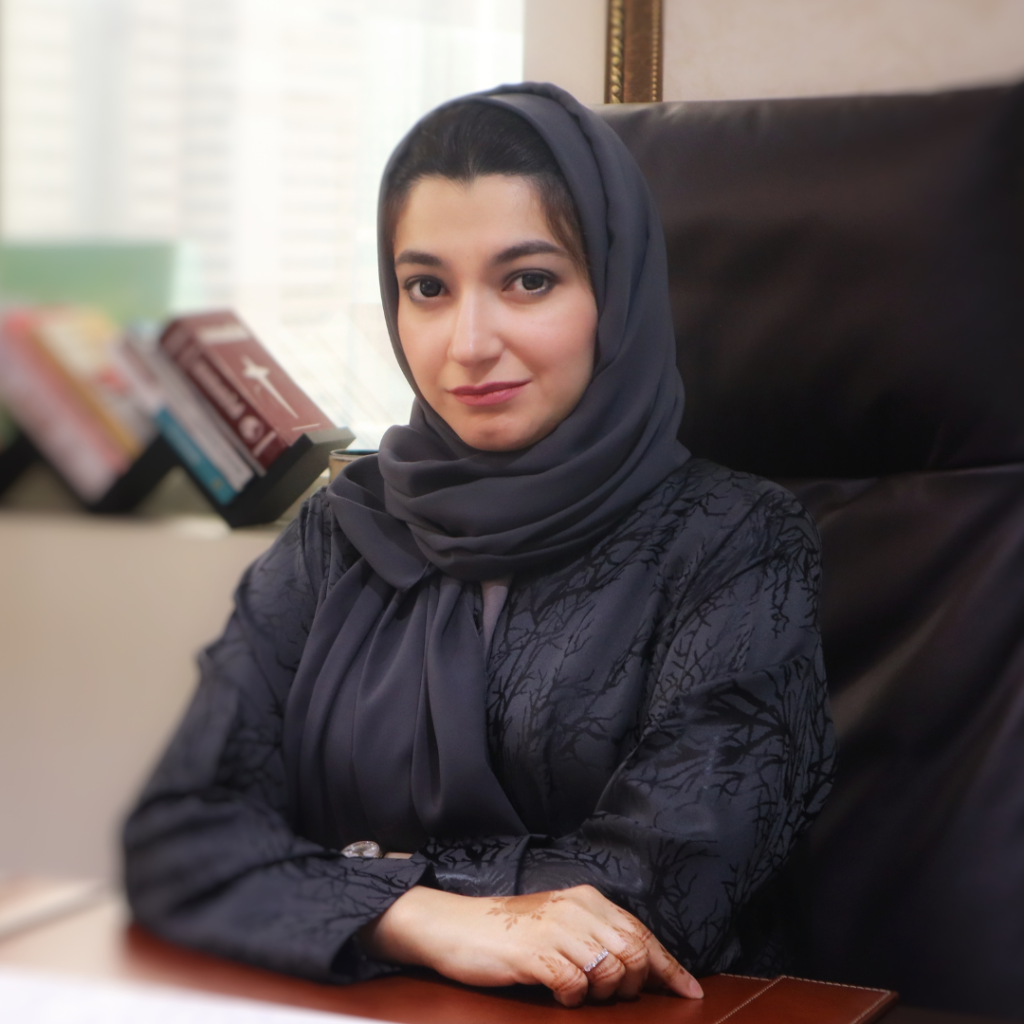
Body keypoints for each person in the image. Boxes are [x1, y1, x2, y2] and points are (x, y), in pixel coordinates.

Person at [123, 83, 835, 1008]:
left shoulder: (737, 542)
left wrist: (331, 881)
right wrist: (419, 917)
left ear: (616, 290)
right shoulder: (342, 529)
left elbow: (661, 891)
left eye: (527, 280)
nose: (467, 343)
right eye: (427, 288)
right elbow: (177, 838)